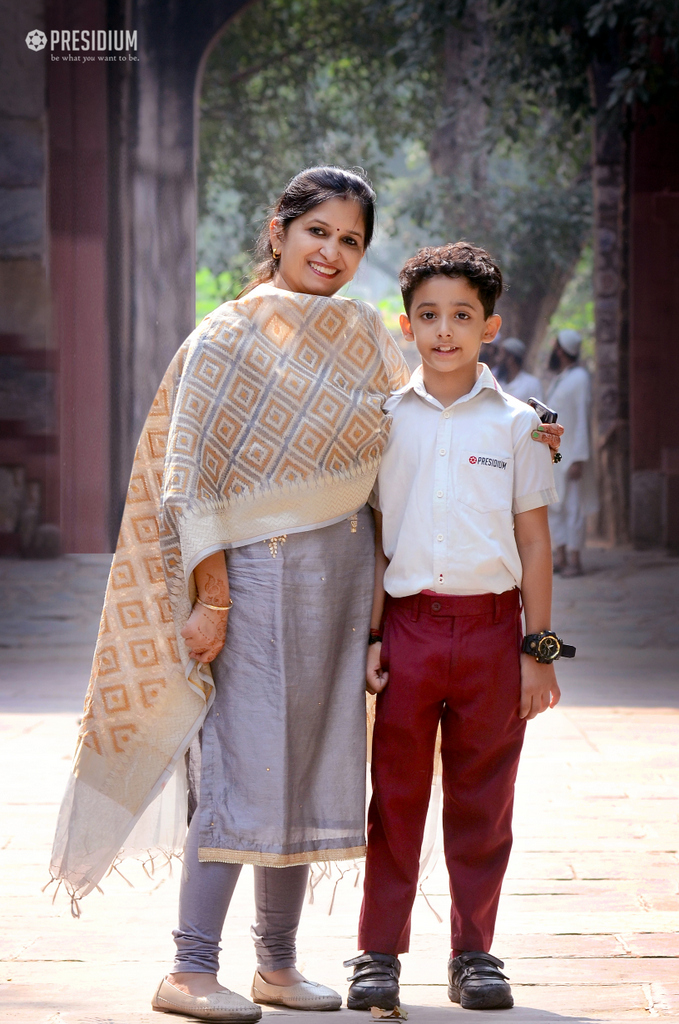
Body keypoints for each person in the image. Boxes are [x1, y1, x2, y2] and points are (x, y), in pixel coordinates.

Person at [49, 169, 562, 1024]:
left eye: (350, 240)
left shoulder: (366, 334)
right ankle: (189, 967)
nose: (331, 252)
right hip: (249, 584)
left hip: (340, 586)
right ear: (280, 230)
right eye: (317, 231)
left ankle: (276, 967)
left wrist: (533, 423)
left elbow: (437, 400)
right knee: (243, 767)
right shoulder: (225, 336)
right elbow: (192, 479)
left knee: (305, 765)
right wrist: (209, 598)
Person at [344, 243, 572, 1013]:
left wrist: (537, 653)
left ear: (490, 326)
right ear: (405, 325)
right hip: (408, 629)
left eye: (461, 317)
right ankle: (377, 952)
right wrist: (374, 642)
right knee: (395, 796)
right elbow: (379, 539)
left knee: (484, 799)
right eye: (429, 316)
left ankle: (474, 952)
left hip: (490, 635)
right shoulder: (384, 421)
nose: (444, 331)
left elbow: (534, 541)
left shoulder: (520, 424)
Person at [546, 329, 598, 577]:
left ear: (560, 350)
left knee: (573, 506)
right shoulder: (562, 378)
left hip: (572, 455)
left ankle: (575, 560)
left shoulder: (580, 379)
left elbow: (581, 420)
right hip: (555, 454)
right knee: (555, 506)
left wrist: (579, 457)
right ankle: (562, 556)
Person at [497, 336, 544, 404]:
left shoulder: (532, 384)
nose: (498, 359)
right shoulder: (495, 377)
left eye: (501, 355)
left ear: (511, 359)